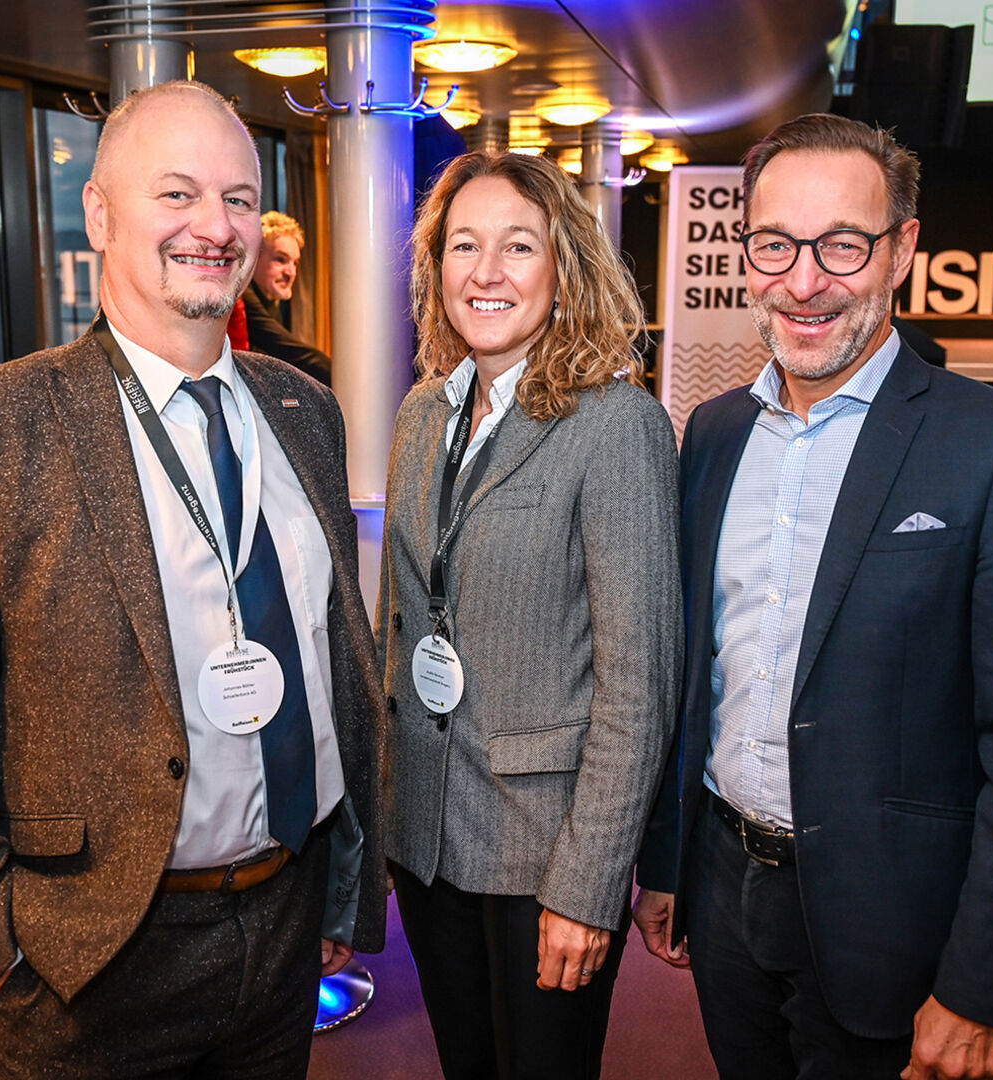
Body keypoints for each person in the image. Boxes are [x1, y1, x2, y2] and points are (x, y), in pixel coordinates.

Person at [0, 81, 385, 1080]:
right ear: (100, 215)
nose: (214, 227)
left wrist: (340, 884)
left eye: (239, 199)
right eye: (177, 194)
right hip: (89, 962)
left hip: (285, 924)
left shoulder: (306, 411)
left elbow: (334, 661)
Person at [632, 112, 993, 1080]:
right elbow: (697, 677)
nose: (803, 282)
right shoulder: (713, 432)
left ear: (901, 250)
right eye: (774, 244)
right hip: (723, 895)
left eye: (841, 245)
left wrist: (982, 983)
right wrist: (669, 863)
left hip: (894, 927)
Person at [377, 151, 682, 1079]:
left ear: (564, 266)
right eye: (464, 245)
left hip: (545, 854)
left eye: (518, 246)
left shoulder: (616, 424)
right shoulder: (422, 414)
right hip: (427, 838)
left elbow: (639, 685)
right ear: (436, 267)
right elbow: (400, 626)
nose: (487, 271)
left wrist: (588, 887)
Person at [242, 210, 332, 384]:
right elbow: (289, 350)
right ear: (254, 257)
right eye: (280, 260)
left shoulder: (269, 302)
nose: (291, 272)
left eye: (295, 263)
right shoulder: (242, 298)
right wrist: (343, 375)